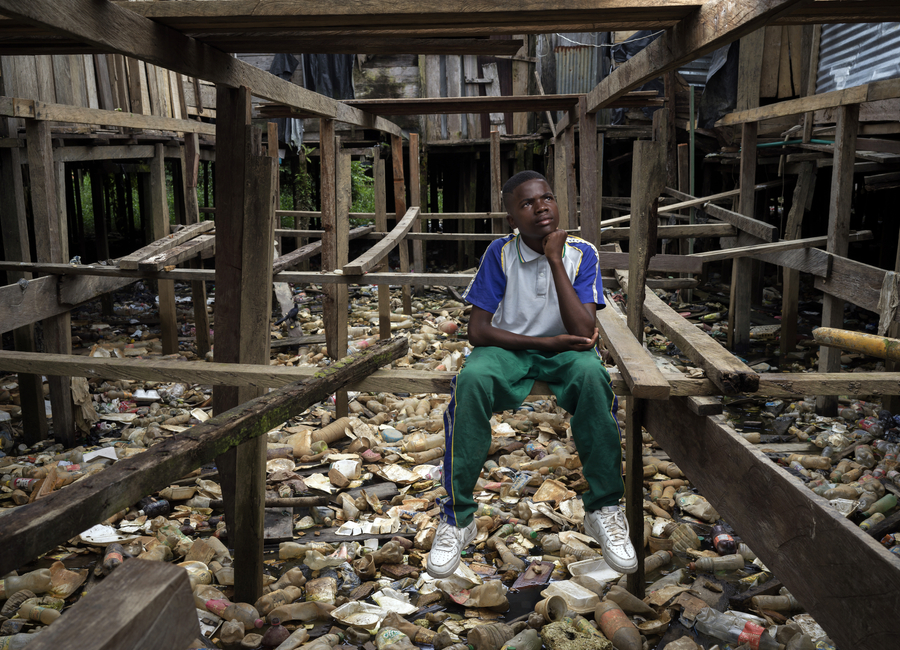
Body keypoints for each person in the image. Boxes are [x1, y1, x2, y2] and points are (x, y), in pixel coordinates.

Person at [426, 170, 637, 579]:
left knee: (594, 378)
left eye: (547, 198)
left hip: (568, 353)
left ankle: (604, 510)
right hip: (508, 350)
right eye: (527, 203)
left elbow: (582, 333)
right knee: (470, 381)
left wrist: (554, 258)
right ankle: (457, 519)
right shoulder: (500, 253)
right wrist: (543, 343)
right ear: (511, 219)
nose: (540, 207)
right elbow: (478, 330)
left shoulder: (581, 253)